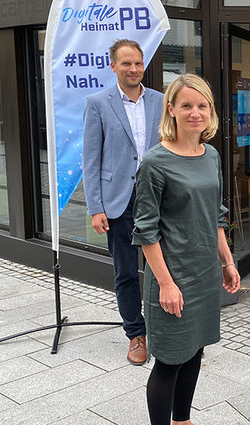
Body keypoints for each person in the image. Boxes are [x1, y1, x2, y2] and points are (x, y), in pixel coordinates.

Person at [132, 74, 239, 425]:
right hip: (171, 276)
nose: (195, 112)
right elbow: (145, 231)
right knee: (170, 359)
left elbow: (216, 216)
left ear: (210, 111)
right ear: (172, 110)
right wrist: (165, 284)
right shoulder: (155, 162)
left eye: (202, 105)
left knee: (194, 350)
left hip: (203, 273)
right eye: (186, 105)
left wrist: (226, 262)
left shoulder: (210, 156)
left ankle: (182, 422)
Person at [83, 39, 164, 365]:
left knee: (165, 269)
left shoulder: (160, 101)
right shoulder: (98, 103)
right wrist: (96, 207)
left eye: (138, 63)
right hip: (119, 201)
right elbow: (91, 159)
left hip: (158, 197)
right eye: (126, 63)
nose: (133, 69)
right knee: (127, 272)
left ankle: (166, 331)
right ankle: (136, 334)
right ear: (113, 65)